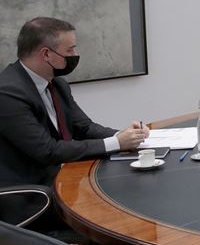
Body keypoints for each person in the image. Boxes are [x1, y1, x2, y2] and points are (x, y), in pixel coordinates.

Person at [0, 17, 149, 189]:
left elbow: (84, 128)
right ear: (46, 54)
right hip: (30, 193)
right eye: (69, 51)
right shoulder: (7, 93)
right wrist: (116, 143)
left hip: (63, 180)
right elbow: (47, 150)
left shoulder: (57, 84)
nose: (75, 56)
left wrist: (125, 135)